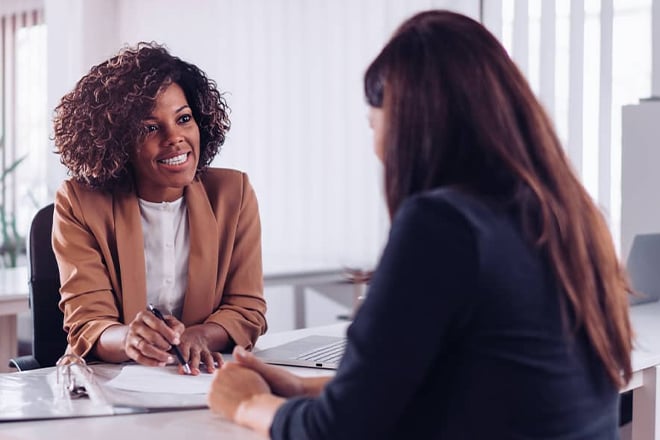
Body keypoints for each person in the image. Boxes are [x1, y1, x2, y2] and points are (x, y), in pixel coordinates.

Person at [206, 10, 633, 438]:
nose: (375, 148)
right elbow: (474, 385)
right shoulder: (570, 216)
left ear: (409, 124)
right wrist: (302, 386)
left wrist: (246, 402)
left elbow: (336, 432)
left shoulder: (443, 225)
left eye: (374, 124)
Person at [52, 42, 267, 375]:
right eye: (150, 128)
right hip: (108, 385)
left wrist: (200, 336)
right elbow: (88, 322)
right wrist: (129, 339)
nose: (175, 138)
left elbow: (247, 309)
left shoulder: (232, 194)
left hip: (198, 381)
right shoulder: (79, 202)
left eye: (184, 119)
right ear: (118, 140)